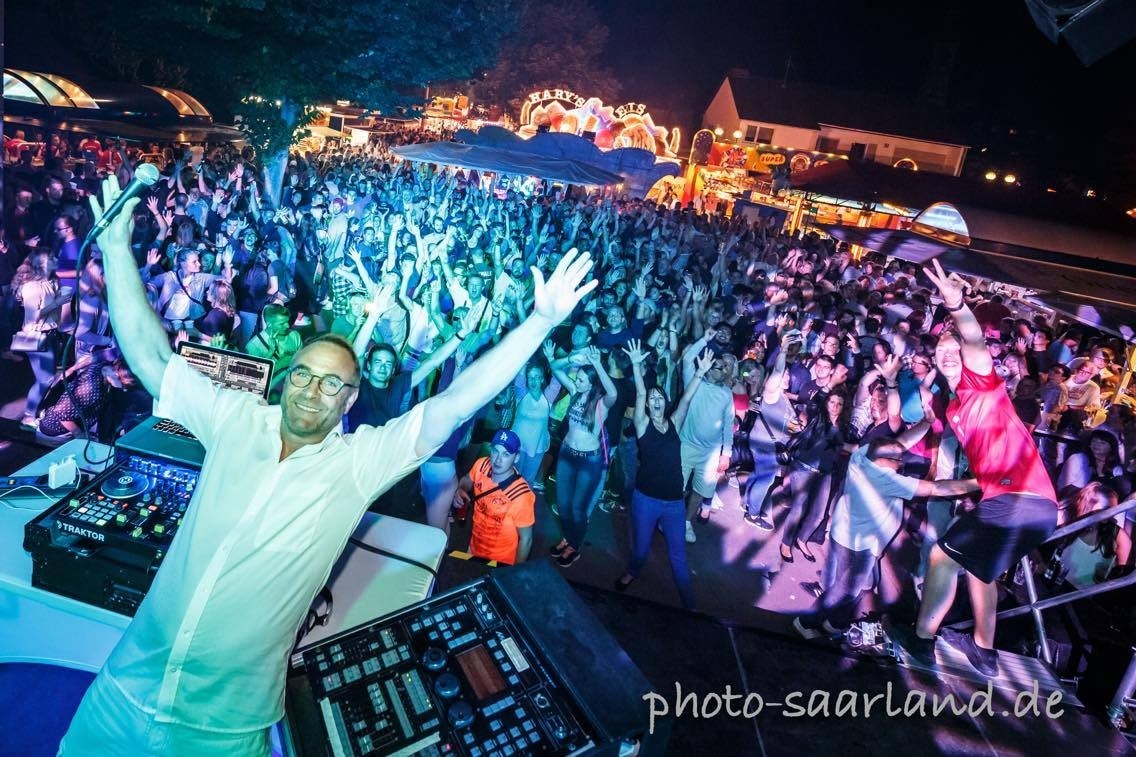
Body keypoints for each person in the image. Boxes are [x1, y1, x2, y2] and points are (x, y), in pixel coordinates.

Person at [59, 174, 597, 756]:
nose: (312, 391)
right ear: (287, 378)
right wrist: (115, 249)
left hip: (225, 729)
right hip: (122, 690)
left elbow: (454, 404)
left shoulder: (357, 465)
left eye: (332, 383)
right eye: (304, 375)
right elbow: (150, 354)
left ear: (349, 400)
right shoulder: (233, 417)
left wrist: (540, 322)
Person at [893, 259, 1057, 678]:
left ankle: (922, 640)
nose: (949, 355)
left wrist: (956, 305)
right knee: (979, 569)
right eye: (941, 352)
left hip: (1020, 499)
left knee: (942, 556)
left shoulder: (980, 383)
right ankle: (984, 651)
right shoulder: (952, 405)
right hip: (1032, 506)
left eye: (955, 352)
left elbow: (974, 340)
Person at [613, 340, 711, 610]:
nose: (655, 399)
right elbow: (640, 393)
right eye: (652, 397)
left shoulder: (675, 423)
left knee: (678, 555)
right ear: (647, 404)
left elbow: (686, 399)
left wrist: (700, 373)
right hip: (646, 500)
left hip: (674, 503)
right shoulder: (642, 423)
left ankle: (689, 603)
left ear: (665, 402)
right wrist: (636, 365)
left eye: (660, 397)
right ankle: (632, 571)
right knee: (641, 549)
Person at [546, 344, 618, 567]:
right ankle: (568, 537)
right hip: (566, 455)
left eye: (581, 380)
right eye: (577, 379)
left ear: (592, 383)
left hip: (588, 461)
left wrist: (597, 364)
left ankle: (574, 546)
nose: (577, 382)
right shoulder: (575, 392)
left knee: (578, 509)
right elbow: (555, 367)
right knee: (562, 504)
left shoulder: (601, 403)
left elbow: (614, 393)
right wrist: (571, 358)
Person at [455, 429, 535, 565]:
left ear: (516, 457)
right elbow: (467, 479)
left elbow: (526, 540)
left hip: (501, 561)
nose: (498, 460)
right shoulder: (481, 465)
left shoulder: (521, 496)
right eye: (495, 451)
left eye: (506, 454)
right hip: (473, 548)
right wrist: (461, 489)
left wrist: (514, 571)